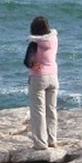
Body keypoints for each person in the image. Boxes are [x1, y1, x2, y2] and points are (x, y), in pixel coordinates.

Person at [23, 16, 59, 150]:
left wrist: (33, 64)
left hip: (39, 78)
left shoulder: (34, 43)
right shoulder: (54, 38)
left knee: (38, 111)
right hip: (53, 76)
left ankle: (40, 143)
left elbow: (27, 61)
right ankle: (52, 140)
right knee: (51, 110)